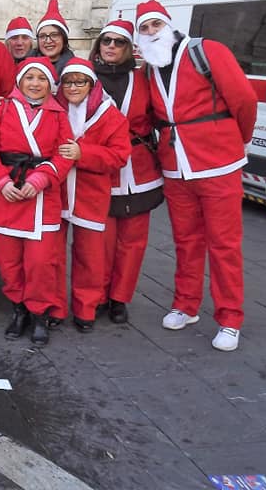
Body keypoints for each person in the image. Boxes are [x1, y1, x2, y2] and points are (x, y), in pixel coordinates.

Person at [136, 0, 257, 352]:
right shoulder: (150, 68)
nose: (150, 32)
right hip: (176, 167)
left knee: (224, 245)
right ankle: (186, 304)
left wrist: (238, 141)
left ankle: (230, 318)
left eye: (155, 25)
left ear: (169, 25)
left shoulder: (207, 51)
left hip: (218, 164)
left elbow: (244, 100)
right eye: (144, 28)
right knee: (186, 241)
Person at [0, 57, 72, 346]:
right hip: (4, 194)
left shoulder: (58, 114)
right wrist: (2, 181)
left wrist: (41, 179)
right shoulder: (1, 109)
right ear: (20, 81)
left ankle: (39, 312)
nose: (34, 83)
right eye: (29, 77)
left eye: (41, 78)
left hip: (41, 197)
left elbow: (64, 153)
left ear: (49, 84)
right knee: (9, 263)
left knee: (41, 263)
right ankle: (19, 307)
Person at [90, 19, 165, 324]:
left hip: (139, 169)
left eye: (118, 42)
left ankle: (120, 298)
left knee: (133, 242)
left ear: (129, 48)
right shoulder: (83, 78)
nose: (110, 46)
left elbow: (163, 116)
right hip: (99, 171)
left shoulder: (144, 79)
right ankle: (97, 296)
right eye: (106, 41)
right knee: (100, 242)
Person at [53, 58, 131, 332]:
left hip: (91, 194)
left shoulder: (110, 115)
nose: (73, 87)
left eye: (80, 82)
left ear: (92, 84)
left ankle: (86, 307)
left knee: (90, 255)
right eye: (68, 81)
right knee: (52, 254)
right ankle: (54, 306)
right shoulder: (52, 109)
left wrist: (83, 154)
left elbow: (120, 156)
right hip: (56, 193)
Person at [35, 0, 75, 76]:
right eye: (42, 36)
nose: (48, 41)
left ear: (64, 38)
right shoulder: (24, 66)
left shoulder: (76, 69)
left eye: (54, 35)